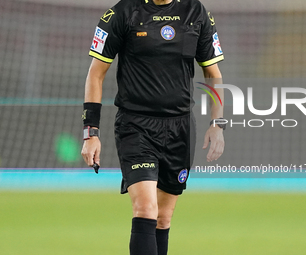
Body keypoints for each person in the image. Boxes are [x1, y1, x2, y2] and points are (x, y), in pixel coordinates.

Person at [81, 0, 225, 254]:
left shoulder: (196, 11)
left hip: (180, 128)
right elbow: (96, 73)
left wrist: (218, 124)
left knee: (163, 218)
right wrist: (90, 131)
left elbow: (213, 73)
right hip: (136, 126)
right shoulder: (122, 13)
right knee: (146, 209)